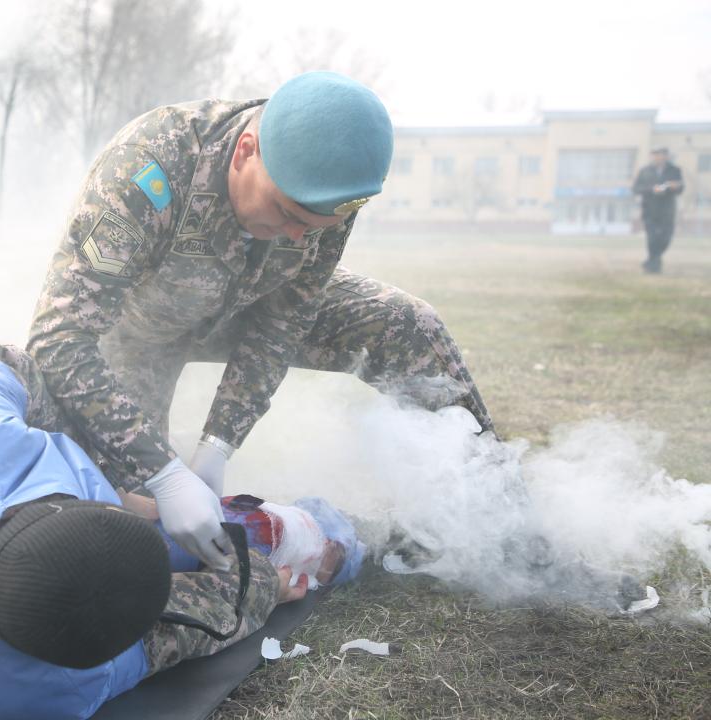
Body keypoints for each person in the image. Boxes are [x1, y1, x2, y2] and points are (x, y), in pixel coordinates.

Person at [27, 71, 493, 570]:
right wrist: (162, 472)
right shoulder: (147, 171)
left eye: (314, 227)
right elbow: (60, 338)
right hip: (141, 332)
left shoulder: (328, 190)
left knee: (405, 323)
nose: (296, 236)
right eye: (284, 211)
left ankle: (491, 517)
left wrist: (218, 444)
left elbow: (283, 323)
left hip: (247, 300)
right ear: (247, 149)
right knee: (120, 520)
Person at [0, 343, 367, 720]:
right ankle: (344, 540)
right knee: (261, 545)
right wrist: (269, 583)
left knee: (174, 532)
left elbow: (8, 358)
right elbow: (200, 619)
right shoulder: (54, 688)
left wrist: (143, 487)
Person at [632, 147, 684, 274]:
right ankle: (654, 266)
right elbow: (636, 189)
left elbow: (680, 189)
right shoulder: (645, 171)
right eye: (655, 155)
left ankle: (651, 260)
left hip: (667, 211)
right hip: (649, 210)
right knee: (652, 238)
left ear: (666, 156)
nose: (657, 157)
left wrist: (675, 187)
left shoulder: (674, 170)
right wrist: (652, 189)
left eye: (660, 155)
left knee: (665, 239)